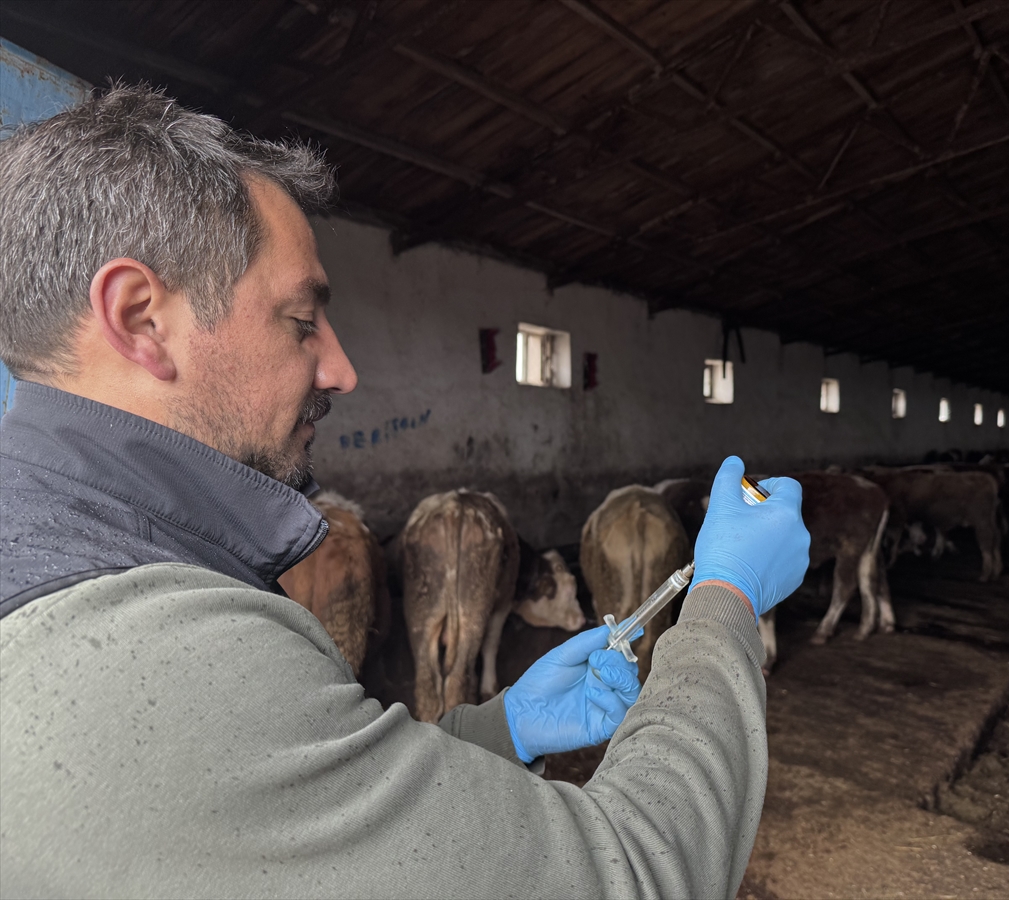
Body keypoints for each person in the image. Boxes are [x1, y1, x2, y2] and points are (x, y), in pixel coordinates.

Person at [0, 85, 810, 899]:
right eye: (301, 320)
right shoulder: (166, 655)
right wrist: (726, 599)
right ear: (141, 318)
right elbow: (636, 874)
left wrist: (502, 727)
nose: (342, 371)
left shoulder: (58, 557)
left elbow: (292, 841)